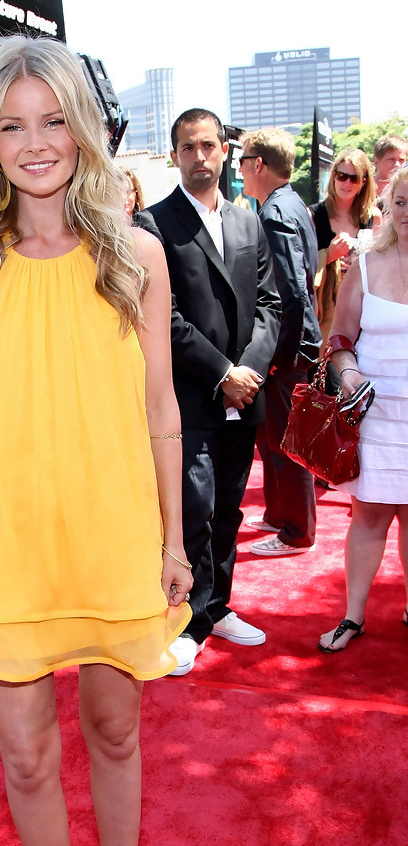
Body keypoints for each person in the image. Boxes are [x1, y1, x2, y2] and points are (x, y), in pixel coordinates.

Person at [0, 35, 192, 846]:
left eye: (52, 121)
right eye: (11, 126)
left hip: (112, 535)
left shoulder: (136, 256)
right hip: (9, 544)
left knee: (115, 735)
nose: (35, 143)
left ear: (81, 130)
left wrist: (173, 541)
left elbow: (161, 409)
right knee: (27, 753)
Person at [147, 108, 280, 675]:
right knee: (193, 511)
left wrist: (247, 373)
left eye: (208, 146)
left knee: (228, 507)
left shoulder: (249, 222)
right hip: (189, 397)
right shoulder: (155, 224)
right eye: (188, 147)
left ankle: (218, 606)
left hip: (243, 398)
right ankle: (189, 622)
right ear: (174, 155)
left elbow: (271, 305)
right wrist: (223, 373)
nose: (199, 157)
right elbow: (164, 316)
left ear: (225, 150)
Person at [318, 166, 408, 652]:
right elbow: (340, 336)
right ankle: (353, 617)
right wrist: (349, 373)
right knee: (369, 515)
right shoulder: (367, 264)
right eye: (401, 202)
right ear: (389, 206)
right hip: (376, 412)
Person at [239, 127, 321, 557]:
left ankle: (297, 531)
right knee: (275, 438)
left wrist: (278, 354)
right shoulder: (292, 205)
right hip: (294, 344)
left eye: (241, 161)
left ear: (258, 164)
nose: (238, 170)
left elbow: (291, 289)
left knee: (288, 442)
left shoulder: (274, 213)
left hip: (288, 347)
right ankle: (279, 515)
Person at [311, 149, 383, 344]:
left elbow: (380, 262)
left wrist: (360, 262)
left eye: (354, 178)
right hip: (326, 307)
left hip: (362, 303)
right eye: (342, 176)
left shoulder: (374, 216)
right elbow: (303, 264)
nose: (347, 183)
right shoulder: (314, 215)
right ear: (333, 176)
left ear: (364, 182)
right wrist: (329, 255)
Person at [119, 167, 159, 235]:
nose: (124, 197)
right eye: (118, 191)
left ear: (136, 194)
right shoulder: (105, 228)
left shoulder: (146, 223)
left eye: (128, 191)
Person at [373, 134, 407, 203]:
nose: (397, 165)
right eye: (391, 159)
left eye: (401, 160)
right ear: (376, 162)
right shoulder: (362, 190)